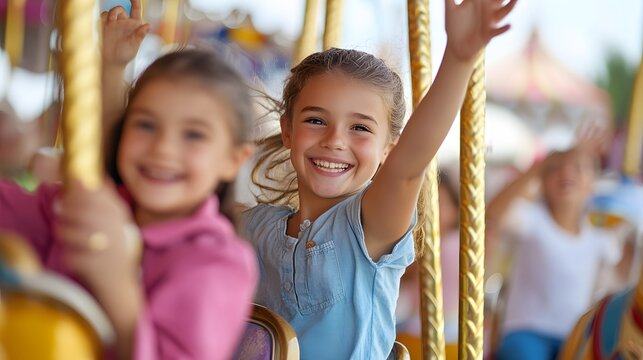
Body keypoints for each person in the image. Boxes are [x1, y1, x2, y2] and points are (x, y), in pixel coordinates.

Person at [242, 1, 517, 358]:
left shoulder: (367, 228)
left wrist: (459, 58)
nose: (335, 140)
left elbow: (408, 168)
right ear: (288, 131)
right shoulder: (258, 228)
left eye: (360, 128)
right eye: (316, 120)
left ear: (388, 150)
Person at [0, 47, 258, 359]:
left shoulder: (216, 261)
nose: (162, 148)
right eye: (146, 125)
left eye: (193, 135)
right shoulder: (86, 207)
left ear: (233, 159)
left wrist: (117, 283)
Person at [486, 129, 626, 360]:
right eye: (556, 168)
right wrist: (538, 166)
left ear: (592, 184)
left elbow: (622, 284)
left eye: (579, 168)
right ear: (543, 181)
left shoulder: (600, 240)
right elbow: (493, 214)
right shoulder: (532, 220)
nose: (566, 172)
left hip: (573, 335)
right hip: (526, 331)